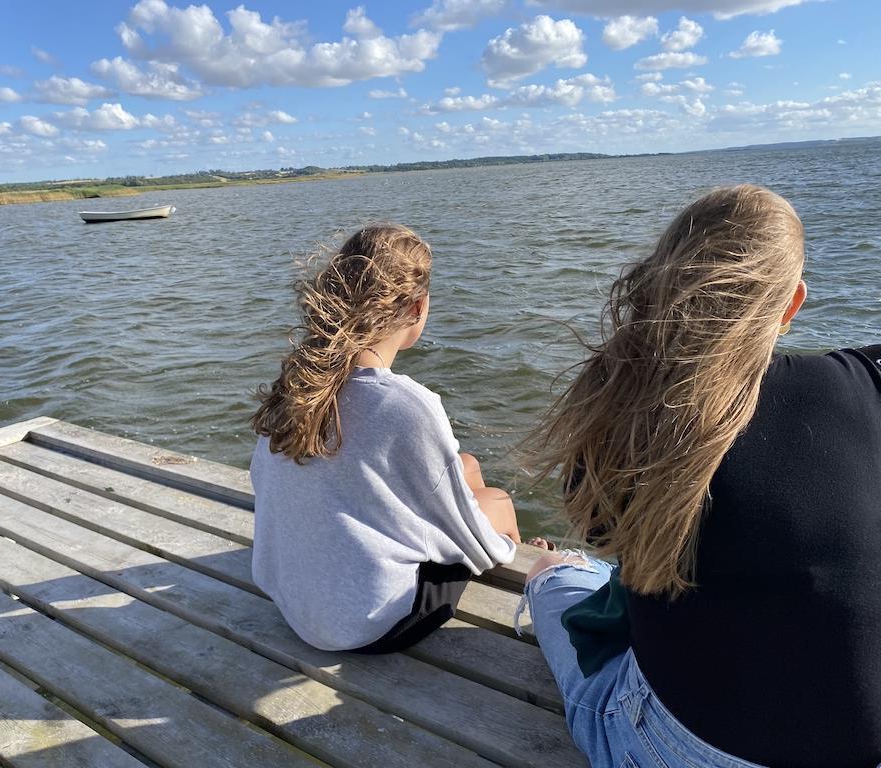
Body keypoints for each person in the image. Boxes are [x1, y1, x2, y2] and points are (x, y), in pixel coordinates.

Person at [519, 185, 881, 767]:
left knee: (554, 574)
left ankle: (552, 574)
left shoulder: (629, 405)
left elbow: (601, 531)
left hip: (680, 752)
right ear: (793, 303)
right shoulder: (861, 383)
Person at [250, 224, 520, 653]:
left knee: (467, 465)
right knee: (499, 502)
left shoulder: (299, 386)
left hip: (293, 603)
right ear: (417, 307)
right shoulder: (407, 405)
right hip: (370, 624)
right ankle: (528, 575)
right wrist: (504, 544)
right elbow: (469, 536)